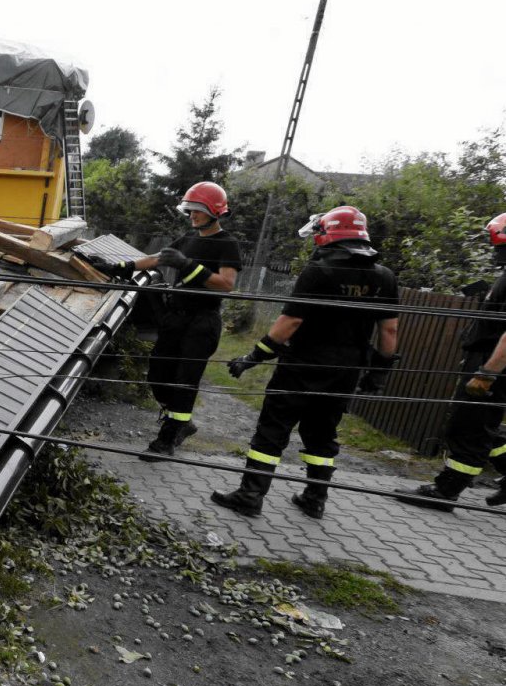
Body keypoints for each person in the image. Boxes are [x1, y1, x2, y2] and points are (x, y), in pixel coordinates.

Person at [211, 205, 399, 519]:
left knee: (273, 430)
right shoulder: (385, 277)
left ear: (329, 233)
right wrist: (379, 372)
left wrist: (254, 357)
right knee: (323, 433)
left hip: (301, 366)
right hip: (346, 370)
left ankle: (250, 495)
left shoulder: (318, 271)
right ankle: (315, 498)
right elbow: (389, 330)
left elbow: (290, 323)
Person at [85, 182, 240, 459]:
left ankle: (166, 441)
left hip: (202, 323)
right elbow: (158, 259)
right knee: (157, 375)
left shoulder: (227, 244)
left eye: (198, 210)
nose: (192, 215)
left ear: (215, 211)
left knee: (184, 382)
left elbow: (226, 284)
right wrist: (120, 267)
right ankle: (181, 422)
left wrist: (188, 265)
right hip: (175, 320)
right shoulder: (189, 237)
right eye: (189, 209)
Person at [407, 212, 506, 510]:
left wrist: (487, 373)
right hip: (489, 362)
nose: (495, 252)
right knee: (484, 427)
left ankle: (446, 490)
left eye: (498, 246)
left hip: (492, 365)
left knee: (469, 428)